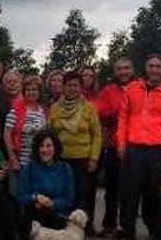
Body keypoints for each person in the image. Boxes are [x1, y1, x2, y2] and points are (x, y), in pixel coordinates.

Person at [117, 54, 161, 240]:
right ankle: (127, 230)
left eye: (158, 66)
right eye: (151, 65)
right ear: (145, 67)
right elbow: (123, 118)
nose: (154, 69)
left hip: (159, 150)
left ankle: (157, 232)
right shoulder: (132, 88)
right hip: (134, 149)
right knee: (129, 192)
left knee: (156, 195)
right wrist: (121, 144)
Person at [47, 71, 101, 232]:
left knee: (81, 196)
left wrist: (94, 159)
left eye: (75, 85)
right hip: (60, 159)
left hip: (83, 159)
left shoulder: (89, 108)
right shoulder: (55, 108)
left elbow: (97, 135)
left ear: (80, 87)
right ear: (63, 87)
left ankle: (83, 227)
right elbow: (49, 133)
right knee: (61, 195)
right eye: (69, 85)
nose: (72, 88)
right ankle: (62, 226)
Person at [93, 57, 135, 237]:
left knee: (132, 189)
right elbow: (100, 113)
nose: (123, 72)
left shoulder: (141, 86)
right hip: (112, 145)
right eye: (119, 69)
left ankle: (128, 227)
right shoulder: (108, 90)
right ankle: (109, 224)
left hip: (136, 145)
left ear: (132, 70)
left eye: (126, 68)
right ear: (115, 72)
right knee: (112, 189)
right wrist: (122, 111)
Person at [17, 129, 75, 238]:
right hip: (34, 214)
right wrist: (35, 197)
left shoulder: (65, 168)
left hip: (57, 215)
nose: (45, 150)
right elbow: (21, 196)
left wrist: (52, 203)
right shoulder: (29, 168)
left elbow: (68, 198)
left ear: (55, 148)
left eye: (49, 146)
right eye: (41, 146)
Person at [4, 76, 47, 173]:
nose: (31, 92)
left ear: (39, 92)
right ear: (24, 92)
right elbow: (7, 135)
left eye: (34, 89)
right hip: (21, 163)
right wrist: (13, 159)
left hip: (40, 162)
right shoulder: (16, 110)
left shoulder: (44, 111)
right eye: (28, 90)